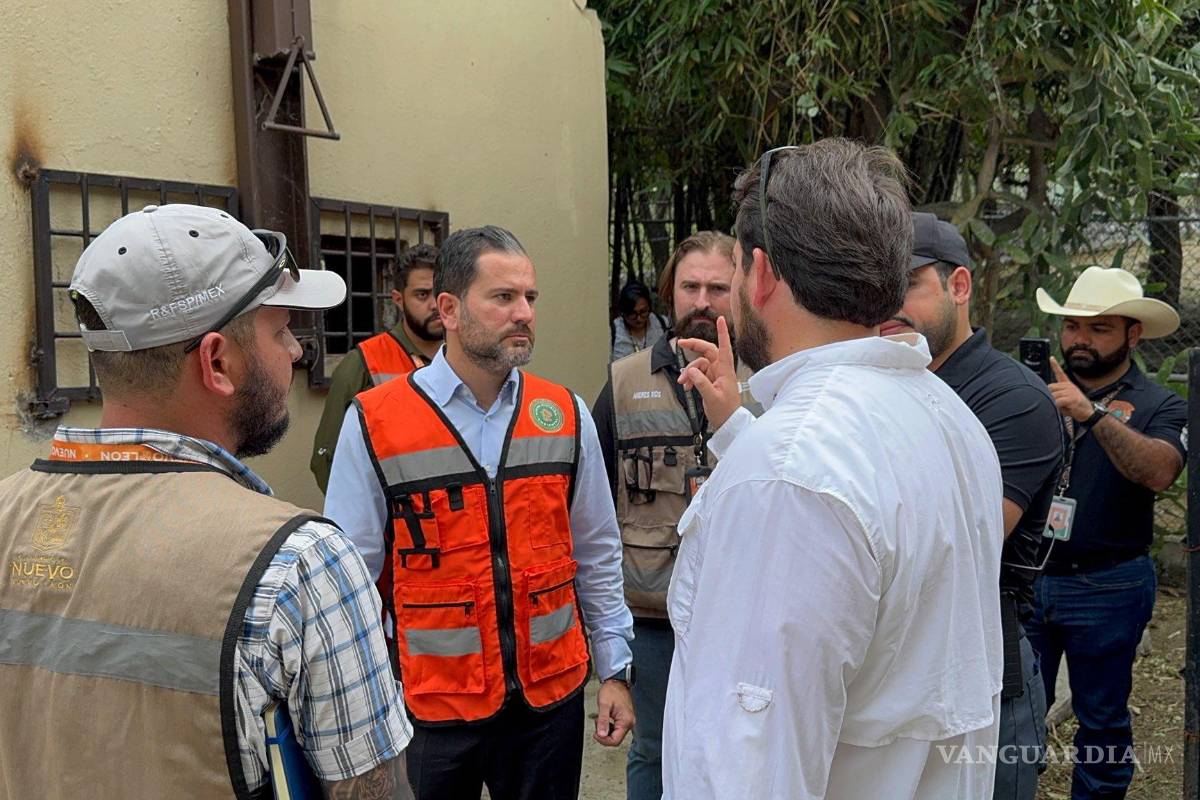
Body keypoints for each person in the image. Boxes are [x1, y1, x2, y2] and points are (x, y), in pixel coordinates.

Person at [0, 204, 413, 799]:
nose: (295, 352)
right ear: (217, 361)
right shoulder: (301, 561)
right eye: (280, 330)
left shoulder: (10, 516)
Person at [662, 140, 1006, 799]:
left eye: (732, 270)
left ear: (760, 274)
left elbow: (746, 765)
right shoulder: (951, 419)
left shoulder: (790, 469)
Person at [323, 225, 635, 800]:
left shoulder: (563, 414)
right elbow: (352, 579)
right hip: (430, 706)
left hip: (548, 702)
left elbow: (596, 551)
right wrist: (362, 703)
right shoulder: (375, 420)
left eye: (530, 298)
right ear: (449, 308)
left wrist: (614, 669)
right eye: (503, 297)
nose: (524, 313)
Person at [882, 212, 1064, 799]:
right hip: (901, 679)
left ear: (959, 287)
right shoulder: (887, 385)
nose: (891, 304)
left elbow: (958, 540)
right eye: (877, 287)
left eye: (908, 283)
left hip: (988, 684)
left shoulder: (1012, 398)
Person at [592, 230, 760, 800]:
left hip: (743, 616)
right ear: (671, 295)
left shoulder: (772, 386)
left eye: (718, 286)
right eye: (690, 286)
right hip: (653, 618)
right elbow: (588, 503)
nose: (703, 301)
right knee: (654, 748)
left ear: (741, 293)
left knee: (738, 749)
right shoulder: (623, 383)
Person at [1026, 266, 1186, 799]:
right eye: (1072, 327)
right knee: (1017, 716)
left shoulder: (1161, 404)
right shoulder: (1032, 392)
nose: (1080, 340)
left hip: (1109, 584)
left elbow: (1160, 470)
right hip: (1028, 581)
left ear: (1132, 335)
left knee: (1101, 723)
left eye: (1098, 329)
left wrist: (1090, 413)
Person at [311, 242, 443, 493]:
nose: (435, 305)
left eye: (440, 293)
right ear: (398, 300)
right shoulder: (363, 363)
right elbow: (326, 460)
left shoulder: (464, 361)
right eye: (422, 295)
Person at [610, 280, 667, 361]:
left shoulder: (663, 324)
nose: (639, 318)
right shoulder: (613, 331)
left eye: (643, 312)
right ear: (623, 312)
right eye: (632, 314)